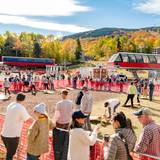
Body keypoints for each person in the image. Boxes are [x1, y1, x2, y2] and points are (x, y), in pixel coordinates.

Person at [1, 93, 31, 160]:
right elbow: (28, 119)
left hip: (4, 134)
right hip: (12, 136)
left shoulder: (11, 104)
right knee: (10, 154)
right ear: (24, 100)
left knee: (9, 153)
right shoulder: (21, 107)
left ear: (16, 98)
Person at [53, 89, 73, 160]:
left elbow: (57, 114)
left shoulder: (59, 103)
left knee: (59, 139)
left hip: (60, 122)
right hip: (67, 122)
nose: (61, 95)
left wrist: (54, 122)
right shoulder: (71, 102)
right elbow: (71, 112)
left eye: (61, 94)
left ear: (63, 94)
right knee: (66, 138)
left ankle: (59, 152)